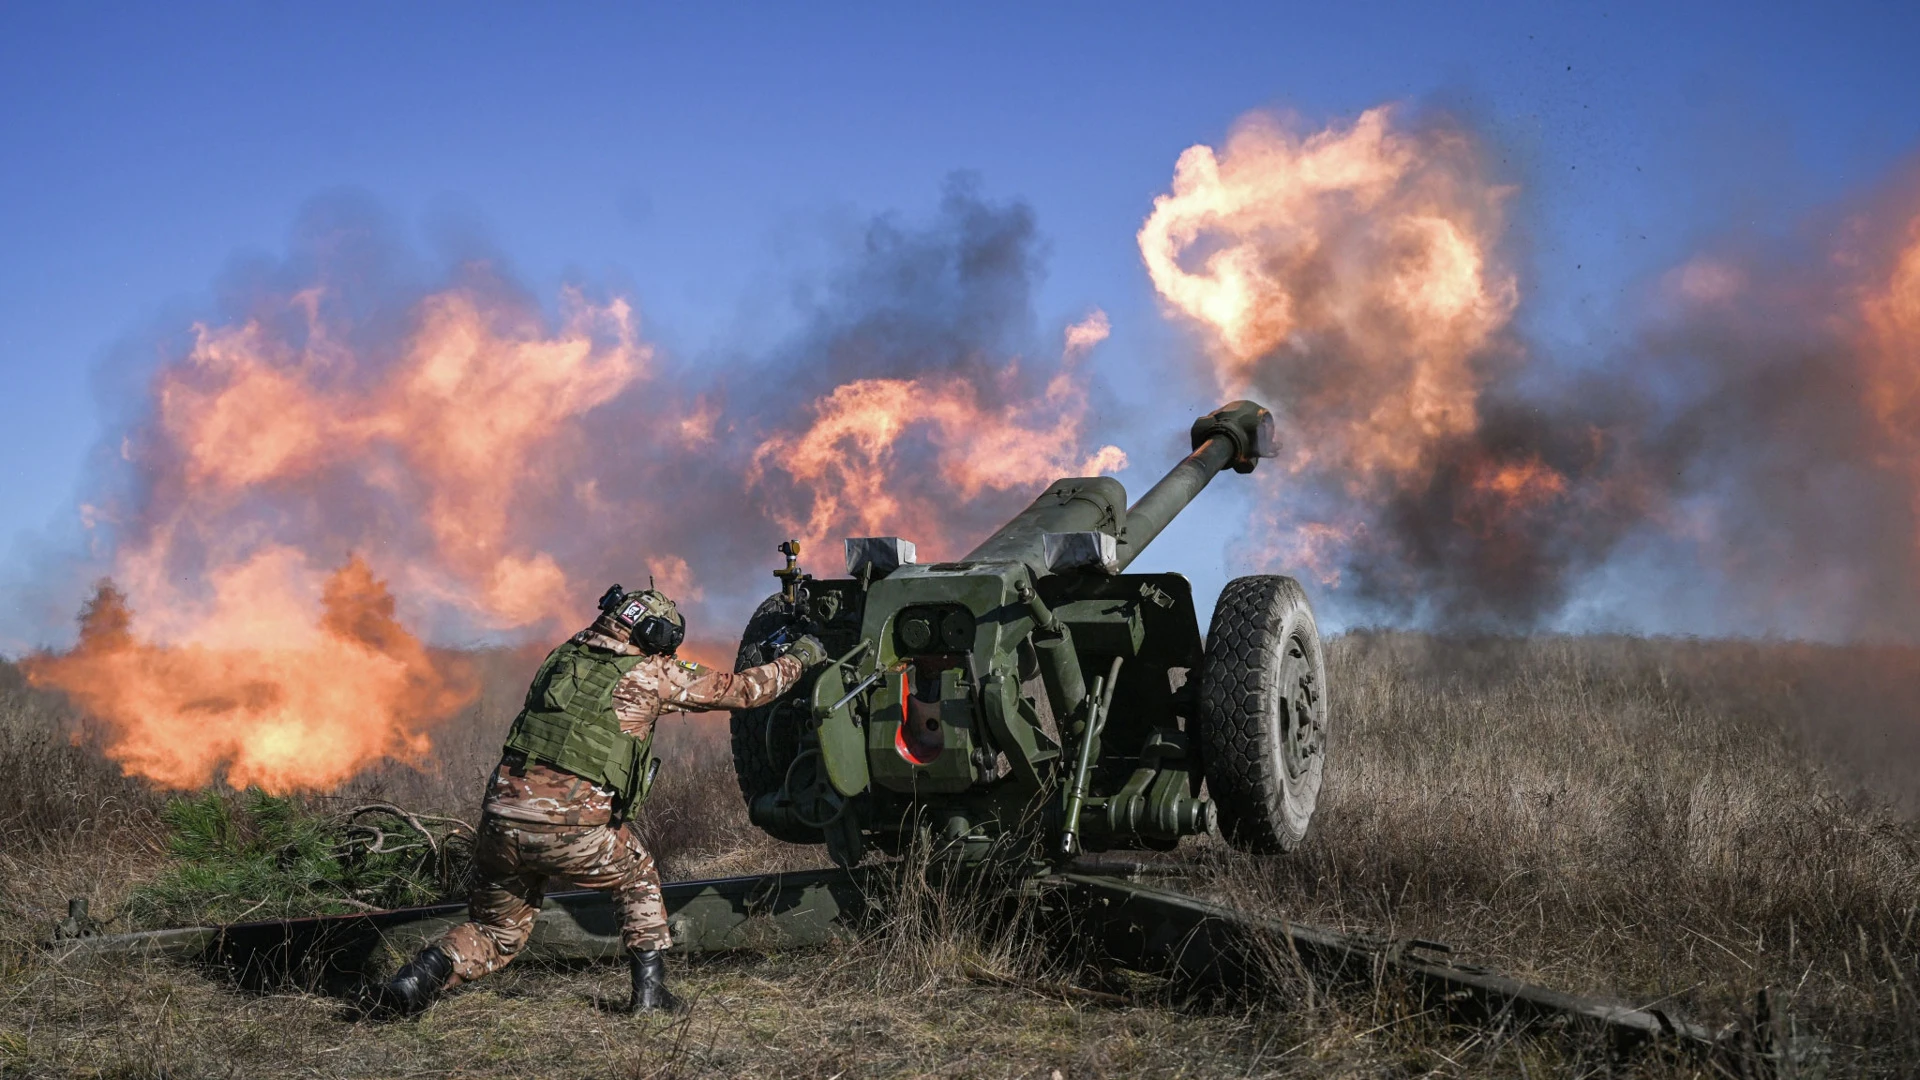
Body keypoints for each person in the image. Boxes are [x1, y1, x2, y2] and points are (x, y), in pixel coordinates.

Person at [376, 585, 827, 1016]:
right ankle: (650, 994)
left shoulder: (562, 657)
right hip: (570, 829)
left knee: (497, 931)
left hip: (500, 821)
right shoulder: (651, 673)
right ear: (657, 636)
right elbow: (747, 690)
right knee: (637, 876)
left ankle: (416, 979)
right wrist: (802, 656)